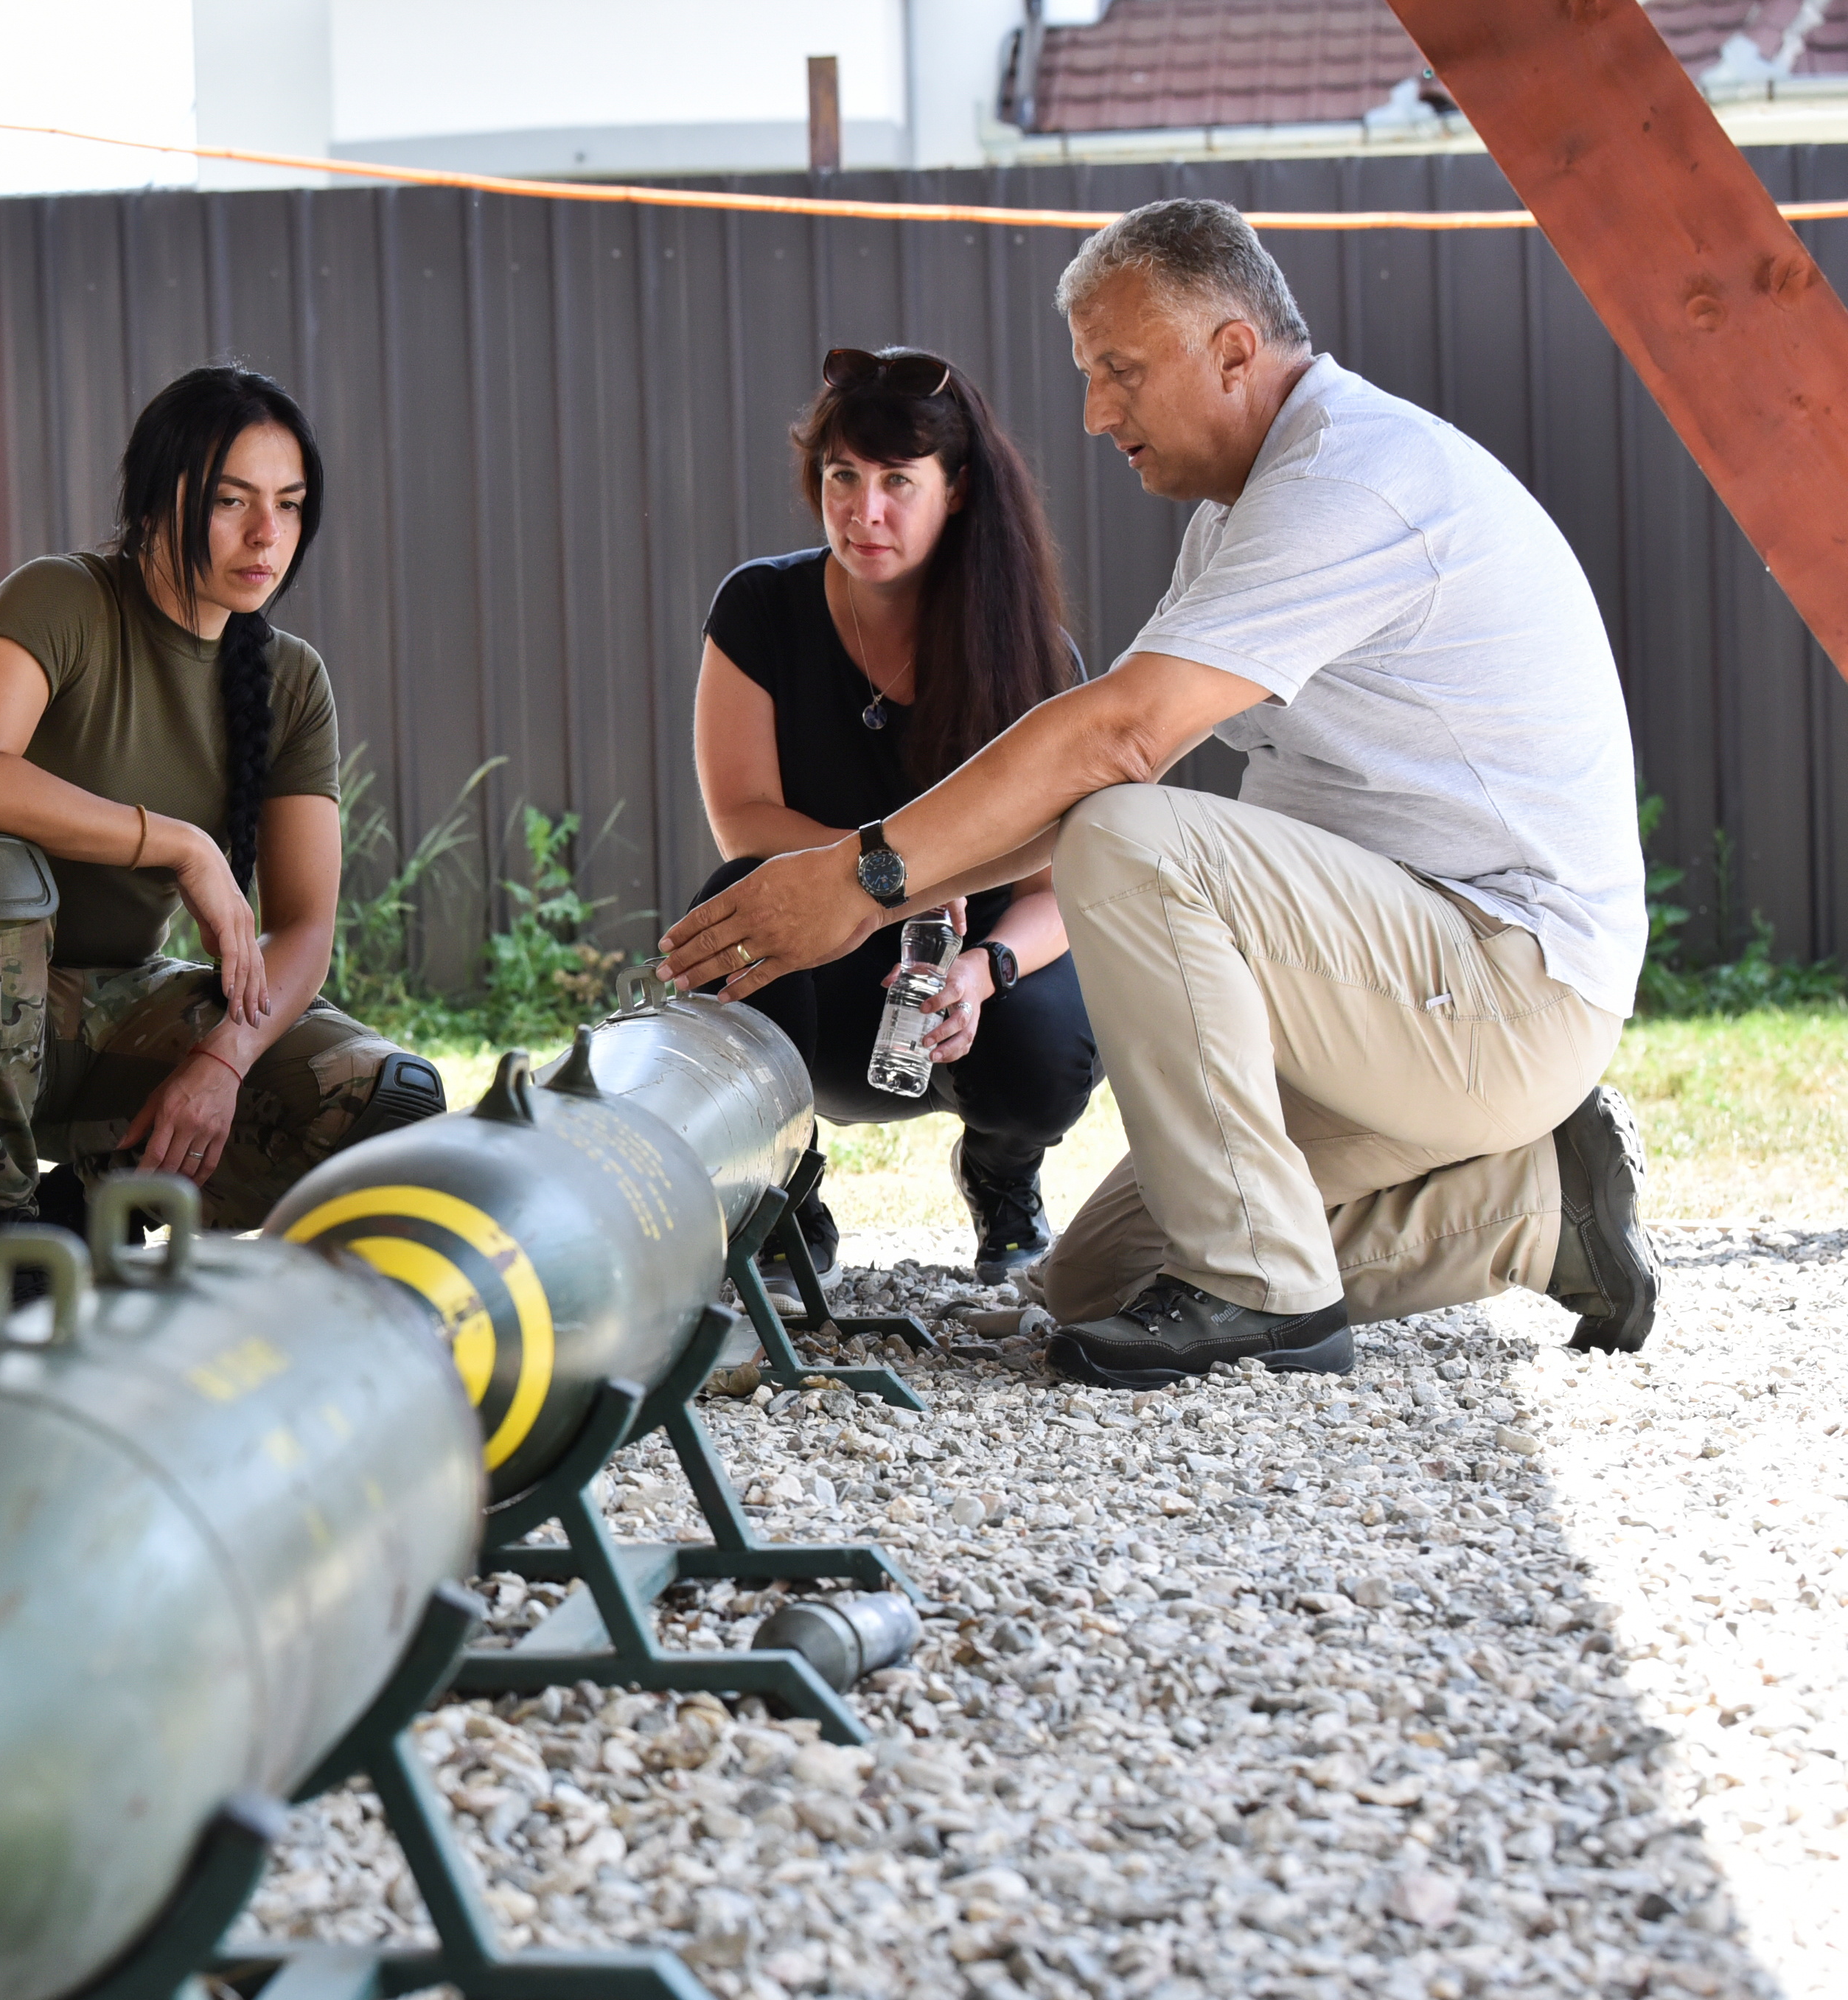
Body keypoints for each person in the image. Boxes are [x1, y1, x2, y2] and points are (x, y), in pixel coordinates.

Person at [654, 199, 1653, 1390]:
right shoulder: (1244, 510)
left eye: (1118, 371)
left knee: (1132, 836)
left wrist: (871, 871)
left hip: (1504, 981)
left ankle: (1258, 1288)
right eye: (1087, 377)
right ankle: (1541, 1202)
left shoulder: (1349, 479)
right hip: (1402, 991)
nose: (1091, 413)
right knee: (1100, 1280)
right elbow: (1078, 798)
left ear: (1233, 350)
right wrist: (874, 896)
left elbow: (1119, 749)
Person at [0, 362, 442, 1324]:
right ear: (157, 502)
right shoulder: (63, 600)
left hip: (103, 1016)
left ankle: (91, 1208)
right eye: (232, 501)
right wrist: (180, 846)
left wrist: (222, 1061)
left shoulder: (287, 681)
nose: (266, 535)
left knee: (382, 1096)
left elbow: (305, 930)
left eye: (289, 504)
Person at [691, 345, 1101, 1286]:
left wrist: (986, 968)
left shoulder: (1034, 650)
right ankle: (784, 1195)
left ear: (955, 491)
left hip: (963, 975)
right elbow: (744, 819)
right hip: (821, 958)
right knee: (730, 900)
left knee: (1048, 1048)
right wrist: (898, 876)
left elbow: (1067, 886)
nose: (863, 510)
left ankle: (1004, 1176)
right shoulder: (760, 606)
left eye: (897, 482)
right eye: (843, 476)